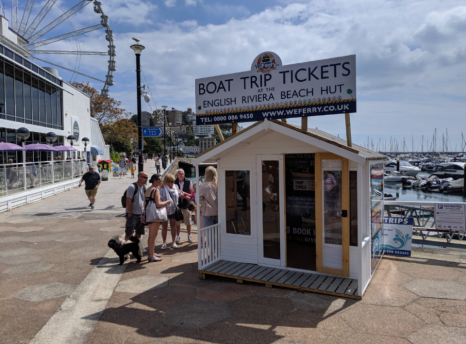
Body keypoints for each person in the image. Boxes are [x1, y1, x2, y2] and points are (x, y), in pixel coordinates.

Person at [145, 174, 172, 261]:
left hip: (149, 214)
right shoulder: (156, 190)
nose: (161, 181)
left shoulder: (148, 189)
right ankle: (152, 256)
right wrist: (167, 202)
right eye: (160, 180)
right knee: (153, 236)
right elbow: (158, 204)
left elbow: (145, 204)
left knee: (150, 235)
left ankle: (151, 252)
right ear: (154, 180)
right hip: (155, 215)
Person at [125, 172, 148, 255]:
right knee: (129, 232)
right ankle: (125, 251)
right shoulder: (132, 187)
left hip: (141, 214)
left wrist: (144, 213)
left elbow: (144, 200)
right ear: (139, 177)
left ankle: (137, 248)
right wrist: (130, 212)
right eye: (145, 177)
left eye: (147, 177)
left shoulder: (144, 187)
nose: (146, 179)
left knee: (139, 233)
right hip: (133, 213)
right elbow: (128, 200)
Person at [160, 173, 180, 249]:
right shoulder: (161, 188)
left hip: (173, 209)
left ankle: (173, 242)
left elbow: (178, 195)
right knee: (164, 226)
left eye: (173, 181)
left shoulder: (176, 187)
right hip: (164, 209)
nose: (172, 183)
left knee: (173, 225)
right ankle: (164, 243)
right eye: (170, 181)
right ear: (166, 181)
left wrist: (186, 195)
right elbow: (160, 198)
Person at [175, 169, 194, 243]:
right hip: (177, 206)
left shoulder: (188, 181)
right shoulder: (174, 182)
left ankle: (189, 235)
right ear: (177, 175)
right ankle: (178, 236)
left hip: (186, 205)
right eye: (180, 174)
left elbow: (191, 192)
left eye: (183, 173)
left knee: (188, 222)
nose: (181, 175)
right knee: (177, 222)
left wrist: (185, 195)